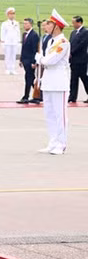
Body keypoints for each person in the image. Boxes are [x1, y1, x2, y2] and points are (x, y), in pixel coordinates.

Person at [35, 9, 70, 155]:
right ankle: (52, 142)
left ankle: (61, 144)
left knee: (59, 114)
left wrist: (40, 59)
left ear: (56, 26)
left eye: (49, 24)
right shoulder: (51, 41)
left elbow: (51, 61)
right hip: (48, 81)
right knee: (49, 113)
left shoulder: (63, 42)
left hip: (59, 81)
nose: (45, 26)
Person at [18, 18, 40, 104]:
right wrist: (21, 59)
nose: (24, 25)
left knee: (28, 78)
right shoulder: (24, 35)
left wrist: (34, 62)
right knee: (31, 79)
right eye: (24, 23)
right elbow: (23, 48)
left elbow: (35, 50)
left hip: (30, 61)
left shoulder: (34, 35)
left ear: (31, 24)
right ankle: (38, 95)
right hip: (25, 60)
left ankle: (26, 96)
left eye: (26, 24)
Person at [68, 16, 88, 103]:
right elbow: (70, 43)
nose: (73, 24)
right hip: (73, 60)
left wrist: (71, 52)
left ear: (79, 22)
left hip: (81, 59)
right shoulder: (73, 33)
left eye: (74, 22)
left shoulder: (85, 32)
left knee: (84, 78)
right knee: (73, 78)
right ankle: (72, 96)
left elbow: (82, 45)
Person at [0, 8, 21, 74]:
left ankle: (13, 68)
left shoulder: (16, 23)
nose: (12, 15)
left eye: (13, 14)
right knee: (8, 56)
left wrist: (19, 41)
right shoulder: (4, 23)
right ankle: (8, 69)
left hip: (14, 42)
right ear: (7, 15)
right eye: (10, 14)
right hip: (7, 42)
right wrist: (2, 41)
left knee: (13, 56)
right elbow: (2, 33)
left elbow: (18, 32)